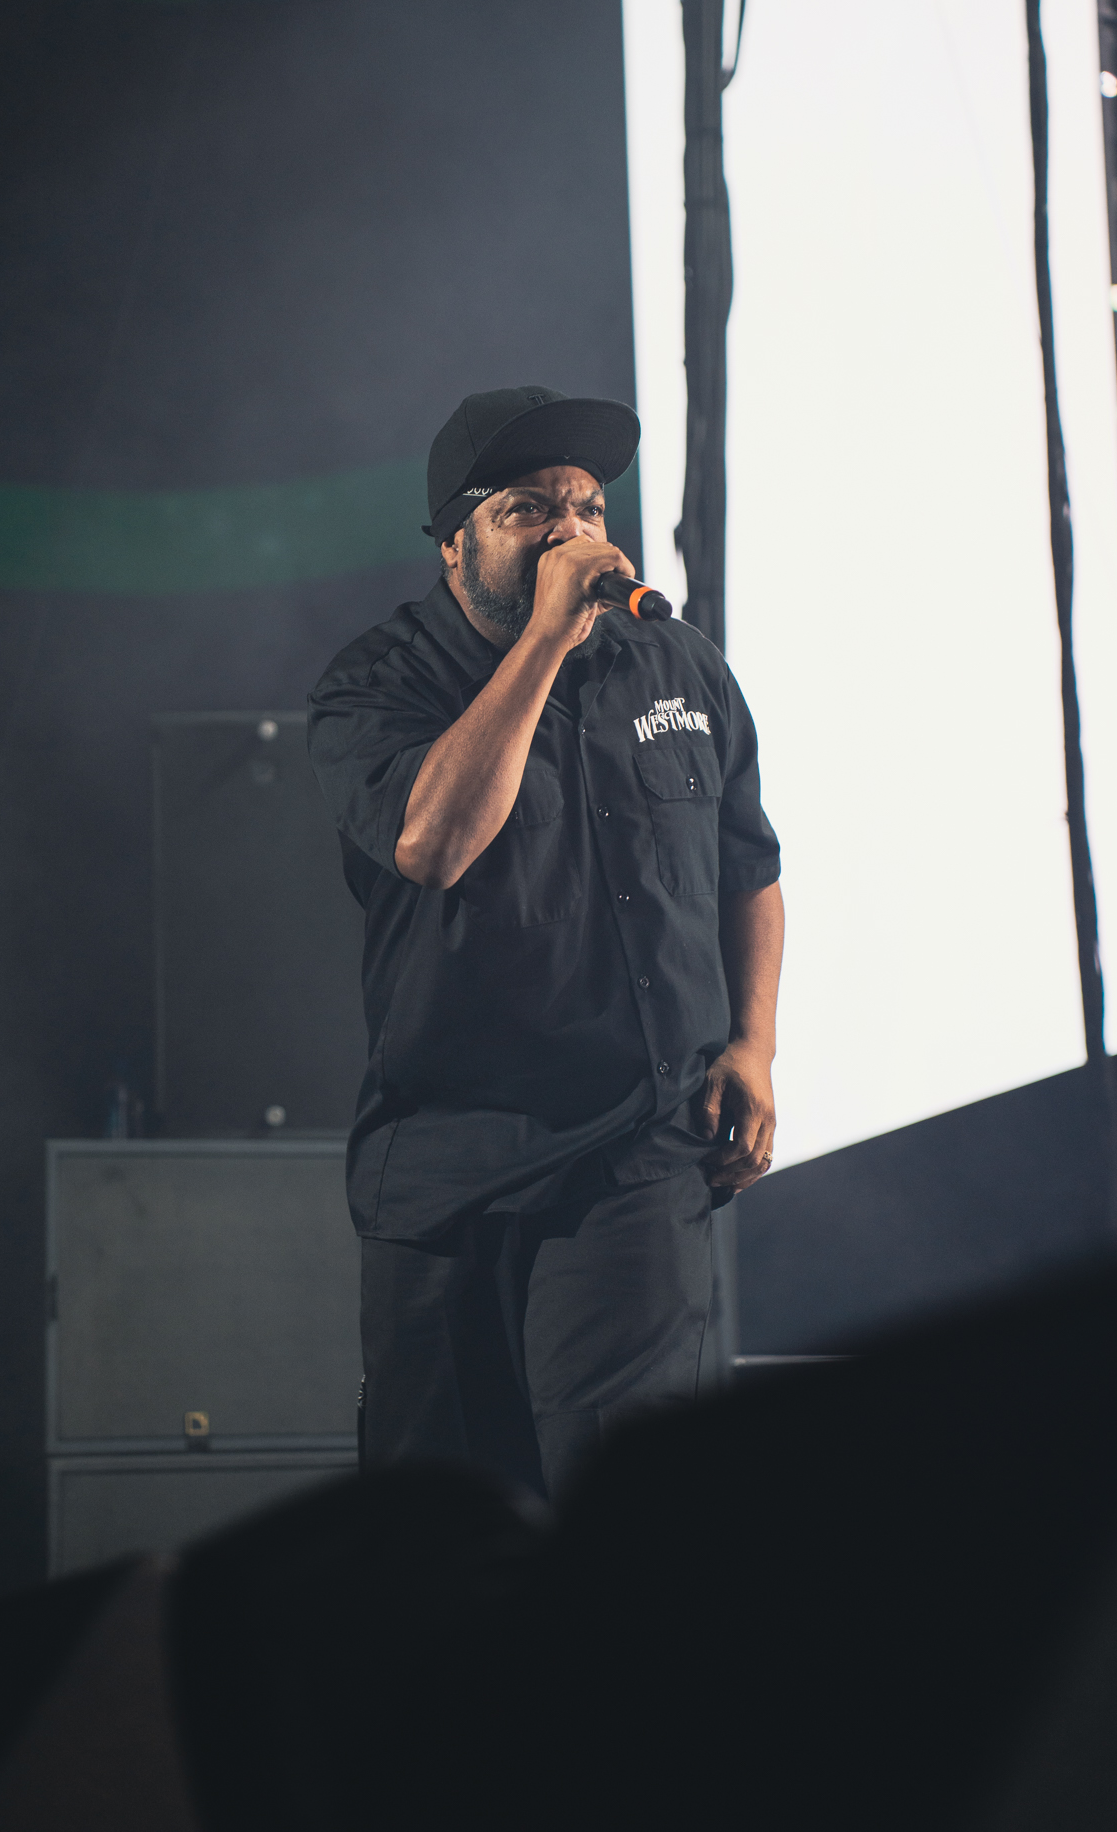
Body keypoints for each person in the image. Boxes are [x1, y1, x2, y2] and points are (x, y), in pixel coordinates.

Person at [308, 385, 783, 1505]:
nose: (571, 532)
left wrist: (754, 1044)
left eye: (587, 506)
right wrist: (542, 642)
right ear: (452, 542)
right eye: (528, 509)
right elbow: (433, 842)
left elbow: (748, 868)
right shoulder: (375, 684)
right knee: (445, 1535)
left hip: (631, 1154)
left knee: (613, 1512)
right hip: (445, 1166)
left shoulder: (680, 666)